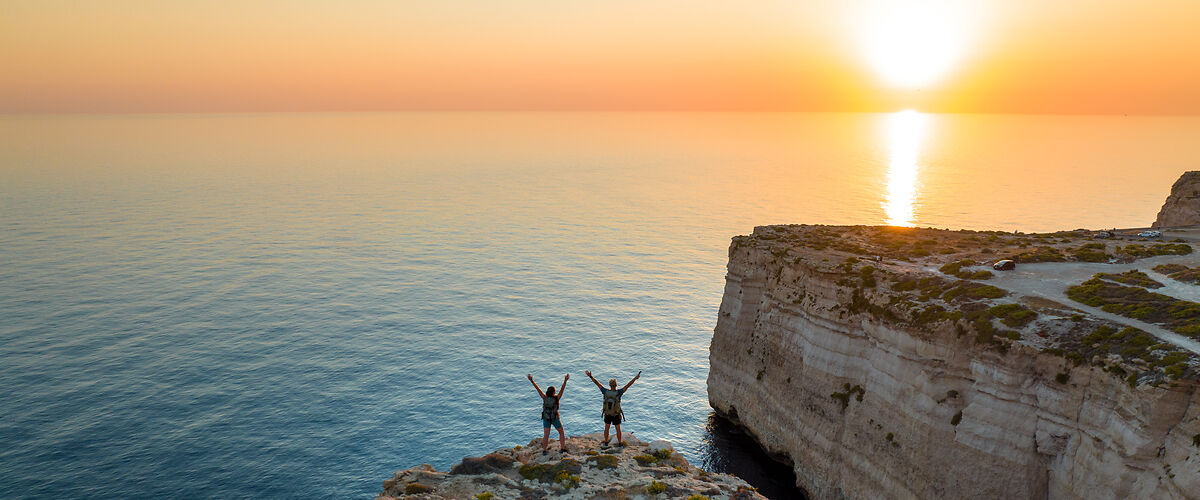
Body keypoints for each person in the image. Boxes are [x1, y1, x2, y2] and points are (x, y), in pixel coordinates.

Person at [585, 370, 640, 447]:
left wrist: (590, 376)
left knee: (607, 428)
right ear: (616, 385)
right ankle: (620, 443)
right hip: (616, 414)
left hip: (607, 413)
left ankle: (606, 442)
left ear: (609, 385)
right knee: (618, 429)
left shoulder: (605, 391)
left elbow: (597, 384)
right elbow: (628, 385)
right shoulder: (619, 392)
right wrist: (635, 378)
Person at [527, 373, 569, 455]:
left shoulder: (544, 397)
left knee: (546, 435)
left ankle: (544, 450)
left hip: (546, 418)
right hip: (555, 418)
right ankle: (562, 448)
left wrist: (532, 381)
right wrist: (565, 381)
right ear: (554, 392)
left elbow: (537, 389)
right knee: (561, 432)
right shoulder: (557, 398)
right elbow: (562, 389)